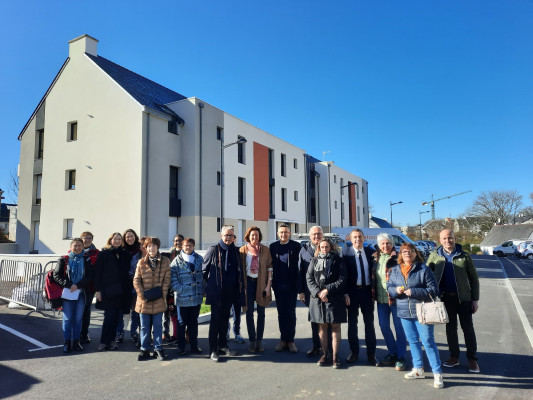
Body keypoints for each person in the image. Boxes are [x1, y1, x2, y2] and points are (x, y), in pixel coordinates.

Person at [387, 243, 444, 389]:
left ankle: (437, 373)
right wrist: (396, 291)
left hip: (422, 311)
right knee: (412, 341)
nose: (407, 253)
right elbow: (389, 288)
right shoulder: (395, 270)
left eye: (410, 251)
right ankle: (418, 368)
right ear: (400, 254)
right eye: (404, 251)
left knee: (428, 341)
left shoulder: (423, 269)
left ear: (415, 253)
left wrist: (414, 292)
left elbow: (434, 290)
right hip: (404, 312)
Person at [426, 229, 480, 373]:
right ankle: (454, 357)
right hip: (445, 298)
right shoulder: (434, 256)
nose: (447, 241)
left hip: (464, 299)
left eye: (450, 238)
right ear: (440, 239)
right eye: (444, 238)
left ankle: (472, 359)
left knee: (468, 329)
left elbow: (474, 278)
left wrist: (475, 299)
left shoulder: (465, 256)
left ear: (454, 238)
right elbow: (426, 274)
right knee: (450, 329)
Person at [202, 225, 244, 362]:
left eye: (231, 235)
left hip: (230, 292)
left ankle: (223, 346)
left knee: (225, 320)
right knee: (215, 321)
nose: (228, 237)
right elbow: (204, 271)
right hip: (216, 292)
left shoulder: (237, 251)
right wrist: (204, 289)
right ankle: (213, 350)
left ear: (234, 237)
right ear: (221, 236)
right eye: (226, 235)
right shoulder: (213, 250)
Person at [306, 238, 347, 368]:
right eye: (322, 247)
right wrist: (318, 292)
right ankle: (325, 355)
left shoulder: (338, 260)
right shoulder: (314, 260)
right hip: (317, 300)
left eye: (326, 247)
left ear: (331, 247)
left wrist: (327, 290)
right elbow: (309, 278)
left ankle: (335, 357)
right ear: (319, 248)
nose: (324, 249)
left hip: (334, 299)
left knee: (335, 327)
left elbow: (342, 279)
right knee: (322, 327)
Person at [343, 228, 379, 366]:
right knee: (352, 324)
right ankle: (354, 352)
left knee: (369, 324)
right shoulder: (345, 253)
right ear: (351, 239)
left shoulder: (371, 253)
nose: (358, 239)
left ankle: (371, 355)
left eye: (360, 237)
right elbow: (343, 275)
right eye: (355, 237)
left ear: (364, 238)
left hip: (367, 292)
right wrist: (345, 293)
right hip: (352, 293)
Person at [134, 237, 171, 361]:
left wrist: (163, 293)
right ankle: (144, 349)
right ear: (146, 248)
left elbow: (167, 279)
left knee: (157, 326)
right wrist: (141, 294)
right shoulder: (141, 262)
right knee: (144, 326)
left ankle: (158, 348)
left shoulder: (165, 261)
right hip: (144, 300)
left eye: (153, 245)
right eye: (148, 246)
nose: (151, 248)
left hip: (159, 299)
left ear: (157, 247)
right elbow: (136, 280)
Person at [373, 233, 407, 371]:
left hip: (396, 299)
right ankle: (392, 352)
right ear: (379, 245)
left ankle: (401, 357)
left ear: (392, 244)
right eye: (382, 243)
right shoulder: (375, 257)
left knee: (400, 329)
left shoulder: (398, 257)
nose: (385, 246)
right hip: (381, 300)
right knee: (383, 326)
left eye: (388, 243)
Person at [54, 238, 93, 353]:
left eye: (80, 245)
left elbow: (90, 276)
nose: (77, 247)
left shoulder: (86, 259)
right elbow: (57, 276)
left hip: (81, 294)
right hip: (68, 294)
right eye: (75, 245)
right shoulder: (64, 259)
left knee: (78, 319)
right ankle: (67, 342)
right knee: (67, 319)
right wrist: (69, 284)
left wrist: (78, 285)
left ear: (82, 246)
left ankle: (76, 342)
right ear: (71, 247)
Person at [94, 232, 131, 352]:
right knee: (109, 317)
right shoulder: (104, 253)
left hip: (122, 292)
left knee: (117, 318)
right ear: (110, 240)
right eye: (115, 239)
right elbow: (97, 273)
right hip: (108, 291)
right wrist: (98, 291)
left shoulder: (124, 253)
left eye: (119, 239)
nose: (117, 241)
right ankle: (104, 342)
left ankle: (112, 340)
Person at [240, 226, 273, 353]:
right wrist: (243, 287)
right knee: (248, 313)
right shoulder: (243, 250)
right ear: (248, 236)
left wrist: (268, 286)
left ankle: (259, 341)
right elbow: (241, 269)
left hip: (261, 283)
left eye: (257, 235)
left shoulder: (265, 250)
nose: (255, 237)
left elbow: (270, 267)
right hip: (248, 283)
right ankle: (252, 341)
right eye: (252, 235)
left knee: (261, 313)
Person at [270, 223, 301, 353]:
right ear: (278, 233)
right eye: (281, 232)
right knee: (281, 313)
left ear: (290, 233)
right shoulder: (273, 247)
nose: (284, 234)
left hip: (291, 286)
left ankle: (291, 341)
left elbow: (300, 267)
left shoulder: (296, 246)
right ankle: (283, 340)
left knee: (291, 313)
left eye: (286, 232)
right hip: (278, 286)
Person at [170, 237, 204, 355]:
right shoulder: (176, 261)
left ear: (193, 246)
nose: (187, 247)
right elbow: (172, 279)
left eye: (190, 245)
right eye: (185, 245)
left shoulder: (199, 259)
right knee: (181, 323)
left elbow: (203, 276)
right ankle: (181, 347)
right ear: (182, 247)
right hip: (182, 298)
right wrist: (181, 289)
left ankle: (194, 346)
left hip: (196, 298)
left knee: (193, 323)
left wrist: (202, 290)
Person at [298, 226, 323, 356]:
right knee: (314, 320)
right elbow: (300, 272)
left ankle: (327, 348)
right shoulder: (304, 250)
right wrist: (301, 291)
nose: (316, 237)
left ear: (322, 235)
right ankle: (316, 346)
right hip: (310, 293)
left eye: (318, 234)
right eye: (314, 234)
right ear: (310, 236)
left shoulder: (328, 247)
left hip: (325, 292)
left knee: (326, 321)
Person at [116, 228, 140, 343]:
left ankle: (133, 332)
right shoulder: (121, 250)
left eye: (131, 236)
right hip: (124, 285)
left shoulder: (140, 250)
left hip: (137, 284)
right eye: (127, 237)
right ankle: (119, 332)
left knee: (136, 311)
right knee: (121, 310)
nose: (129, 238)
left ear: (135, 237)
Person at [79, 231, 99, 344]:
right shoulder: (75, 250)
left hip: (90, 287)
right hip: (76, 287)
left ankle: (84, 333)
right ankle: (75, 333)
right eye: (85, 238)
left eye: (90, 238)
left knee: (86, 311)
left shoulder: (96, 252)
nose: (87, 240)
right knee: (76, 311)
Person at [129, 236, 148, 346]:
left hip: (150, 291)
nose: (143, 246)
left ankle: (144, 337)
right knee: (135, 313)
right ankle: (133, 333)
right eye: (141, 244)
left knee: (146, 314)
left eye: (145, 244)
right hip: (136, 291)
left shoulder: (155, 257)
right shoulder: (135, 258)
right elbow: (131, 273)